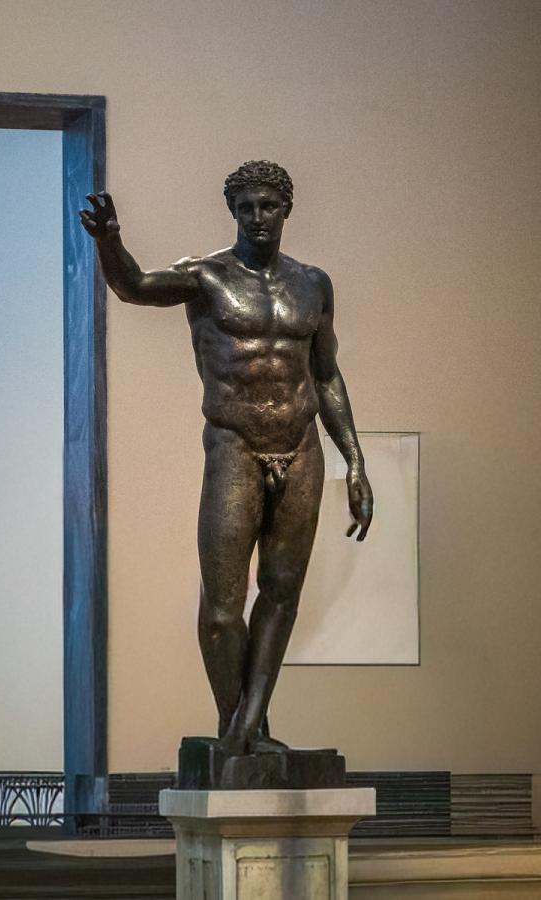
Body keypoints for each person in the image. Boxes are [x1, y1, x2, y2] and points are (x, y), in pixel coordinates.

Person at [80, 160, 373, 755]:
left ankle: (246, 733)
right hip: (235, 445)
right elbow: (134, 286)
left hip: (302, 447)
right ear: (232, 212)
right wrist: (110, 242)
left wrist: (356, 462)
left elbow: (325, 374)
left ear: (286, 209)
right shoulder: (206, 277)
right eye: (246, 208)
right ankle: (236, 729)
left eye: (268, 206)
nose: (258, 217)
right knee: (221, 610)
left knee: (282, 591)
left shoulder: (314, 284)